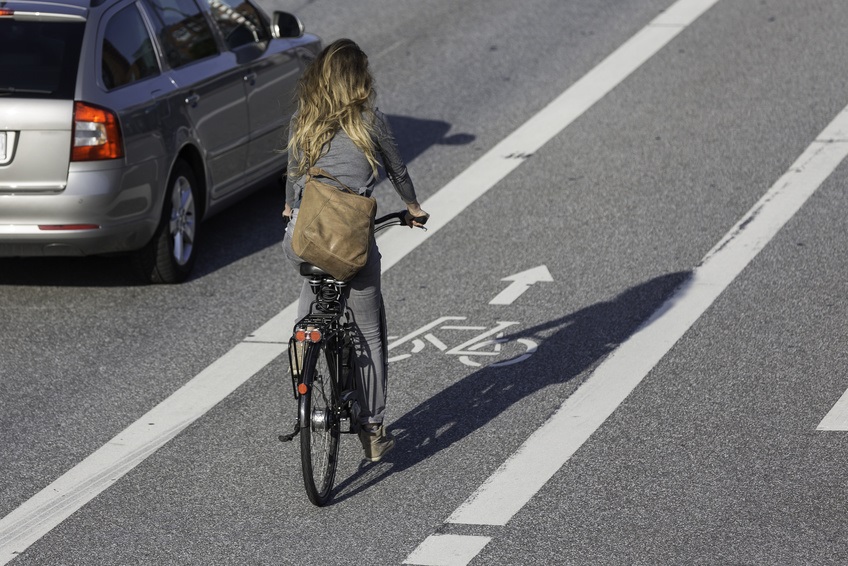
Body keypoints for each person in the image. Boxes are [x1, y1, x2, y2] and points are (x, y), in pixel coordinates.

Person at [282, 39, 429, 462]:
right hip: (349, 243)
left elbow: (294, 176)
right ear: (359, 79)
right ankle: (371, 430)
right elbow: (398, 171)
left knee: (312, 286)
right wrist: (413, 209)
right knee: (367, 329)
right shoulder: (369, 121)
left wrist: (291, 207)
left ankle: (301, 348)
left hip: (304, 238)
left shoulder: (304, 117)